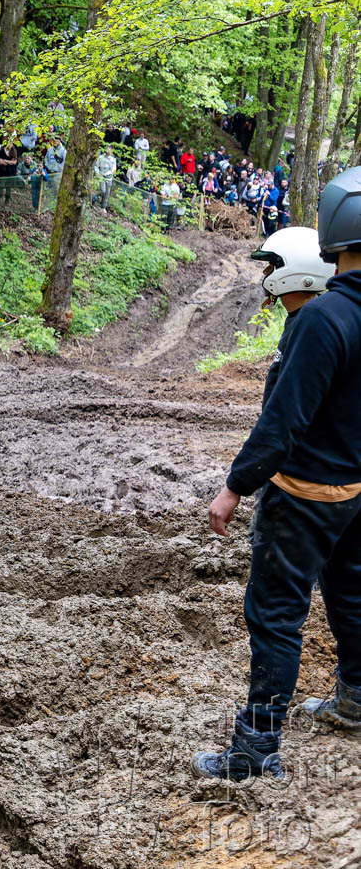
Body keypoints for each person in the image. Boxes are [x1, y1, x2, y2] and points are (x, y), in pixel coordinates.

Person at [194, 174, 361, 781]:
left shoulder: (323, 318)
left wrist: (236, 484)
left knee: (275, 616)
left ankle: (256, 749)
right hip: (356, 492)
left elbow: (282, 421)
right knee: (353, 597)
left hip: (303, 494)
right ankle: (356, 700)